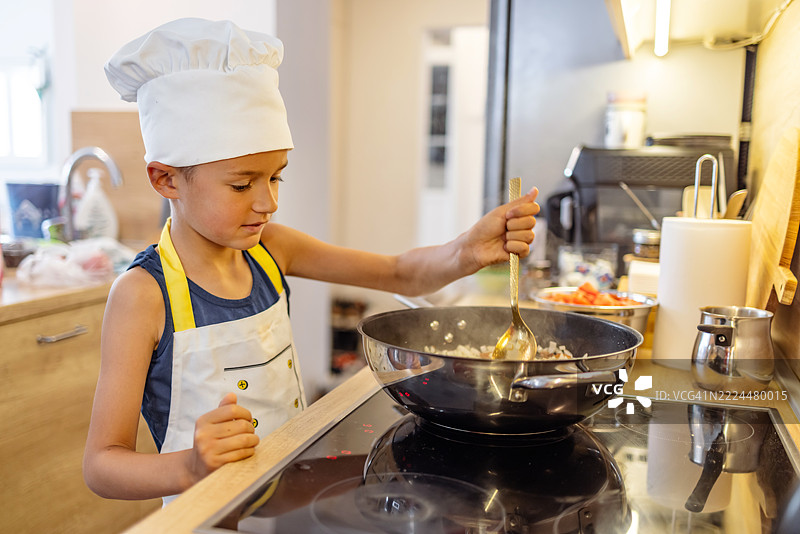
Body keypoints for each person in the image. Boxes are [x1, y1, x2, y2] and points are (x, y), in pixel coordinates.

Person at [83, 18, 539, 503]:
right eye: (242, 184)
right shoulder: (142, 295)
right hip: (209, 514)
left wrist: (468, 250)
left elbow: (396, 272)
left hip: (286, 497)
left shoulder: (270, 249)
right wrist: (191, 466)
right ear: (166, 180)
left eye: (276, 177)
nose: (267, 202)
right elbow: (103, 464)